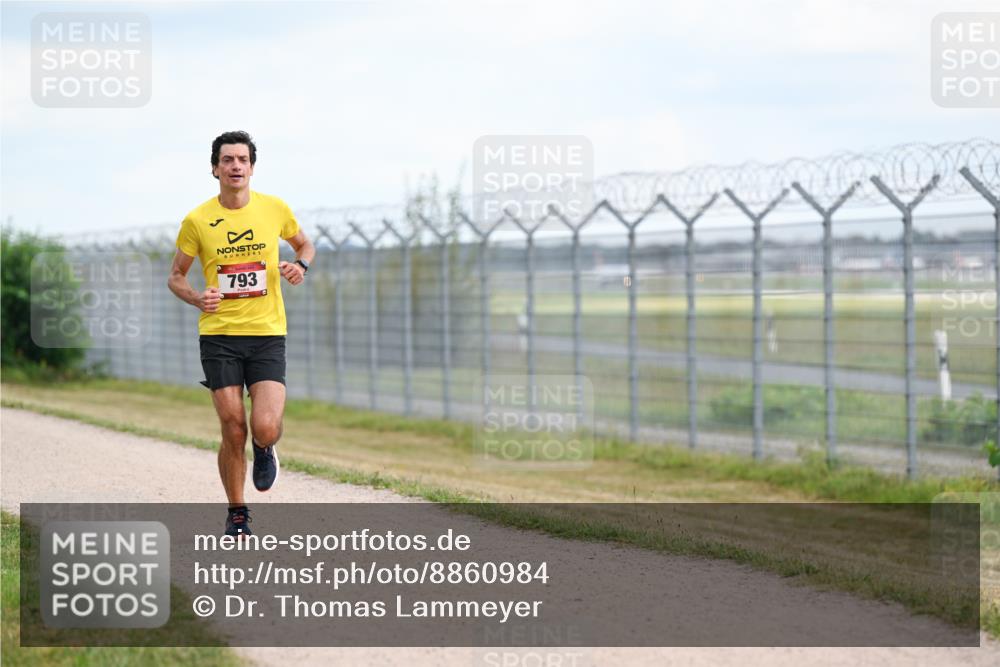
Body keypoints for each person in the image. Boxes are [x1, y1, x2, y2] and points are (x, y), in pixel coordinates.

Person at [167, 130, 315, 537]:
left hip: (267, 333)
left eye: (243, 160)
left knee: (264, 426)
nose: (236, 166)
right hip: (219, 336)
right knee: (233, 427)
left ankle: (266, 448)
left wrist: (300, 267)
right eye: (228, 160)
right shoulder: (197, 220)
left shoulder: (274, 209)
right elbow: (176, 276)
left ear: (252, 167)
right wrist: (197, 298)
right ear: (215, 169)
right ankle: (237, 513)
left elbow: (305, 245)